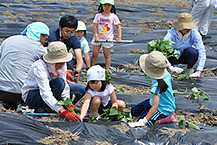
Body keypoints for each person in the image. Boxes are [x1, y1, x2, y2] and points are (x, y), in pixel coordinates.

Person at [22, 42, 80, 122]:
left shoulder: (63, 64)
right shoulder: (40, 67)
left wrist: (68, 102)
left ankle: (49, 107)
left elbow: (64, 86)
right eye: (59, 63)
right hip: (33, 95)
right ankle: (43, 108)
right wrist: (61, 110)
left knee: (77, 88)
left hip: (52, 90)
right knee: (58, 83)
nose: (62, 65)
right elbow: (45, 92)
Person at [0, 22, 49, 109]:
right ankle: (22, 105)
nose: (44, 42)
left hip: (1, 89)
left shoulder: (9, 40)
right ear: (40, 35)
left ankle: (3, 102)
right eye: (45, 39)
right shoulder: (38, 47)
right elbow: (49, 64)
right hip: (20, 93)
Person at [129, 51, 178, 127]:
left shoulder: (157, 86)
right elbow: (164, 61)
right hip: (154, 102)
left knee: (145, 123)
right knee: (134, 111)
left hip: (163, 108)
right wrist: (170, 66)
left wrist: (144, 121)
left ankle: (167, 118)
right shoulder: (166, 73)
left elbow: (155, 107)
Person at [164, 13, 206, 78]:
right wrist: (170, 66)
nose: (189, 29)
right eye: (186, 27)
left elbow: (201, 50)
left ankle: (189, 69)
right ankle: (171, 69)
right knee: (166, 52)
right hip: (173, 56)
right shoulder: (171, 33)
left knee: (193, 52)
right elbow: (162, 51)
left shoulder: (194, 33)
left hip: (185, 56)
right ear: (180, 26)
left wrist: (199, 70)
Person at [47, 15, 83, 81]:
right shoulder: (52, 34)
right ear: (60, 27)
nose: (68, 34)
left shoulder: (74, 38)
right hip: (50, 58)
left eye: (72, 32)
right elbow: (52, 52)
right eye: (66, 31)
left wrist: (77, 72)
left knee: (70, 70)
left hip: (62, 59)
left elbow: (79, 58)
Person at [91, 0, 122, 73]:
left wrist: (119, 37)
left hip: (108, 39)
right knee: (95, 54)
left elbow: (118, 27)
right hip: (98, 38)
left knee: (107, 55)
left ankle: (107, 69)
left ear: (112, 6)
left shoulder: (113, 16)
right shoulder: (98, 16)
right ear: (102, 6)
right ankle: (91, 68)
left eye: (109, 5)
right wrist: (96, 36)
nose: (107, 7)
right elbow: (95, 26)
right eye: (105, 5)